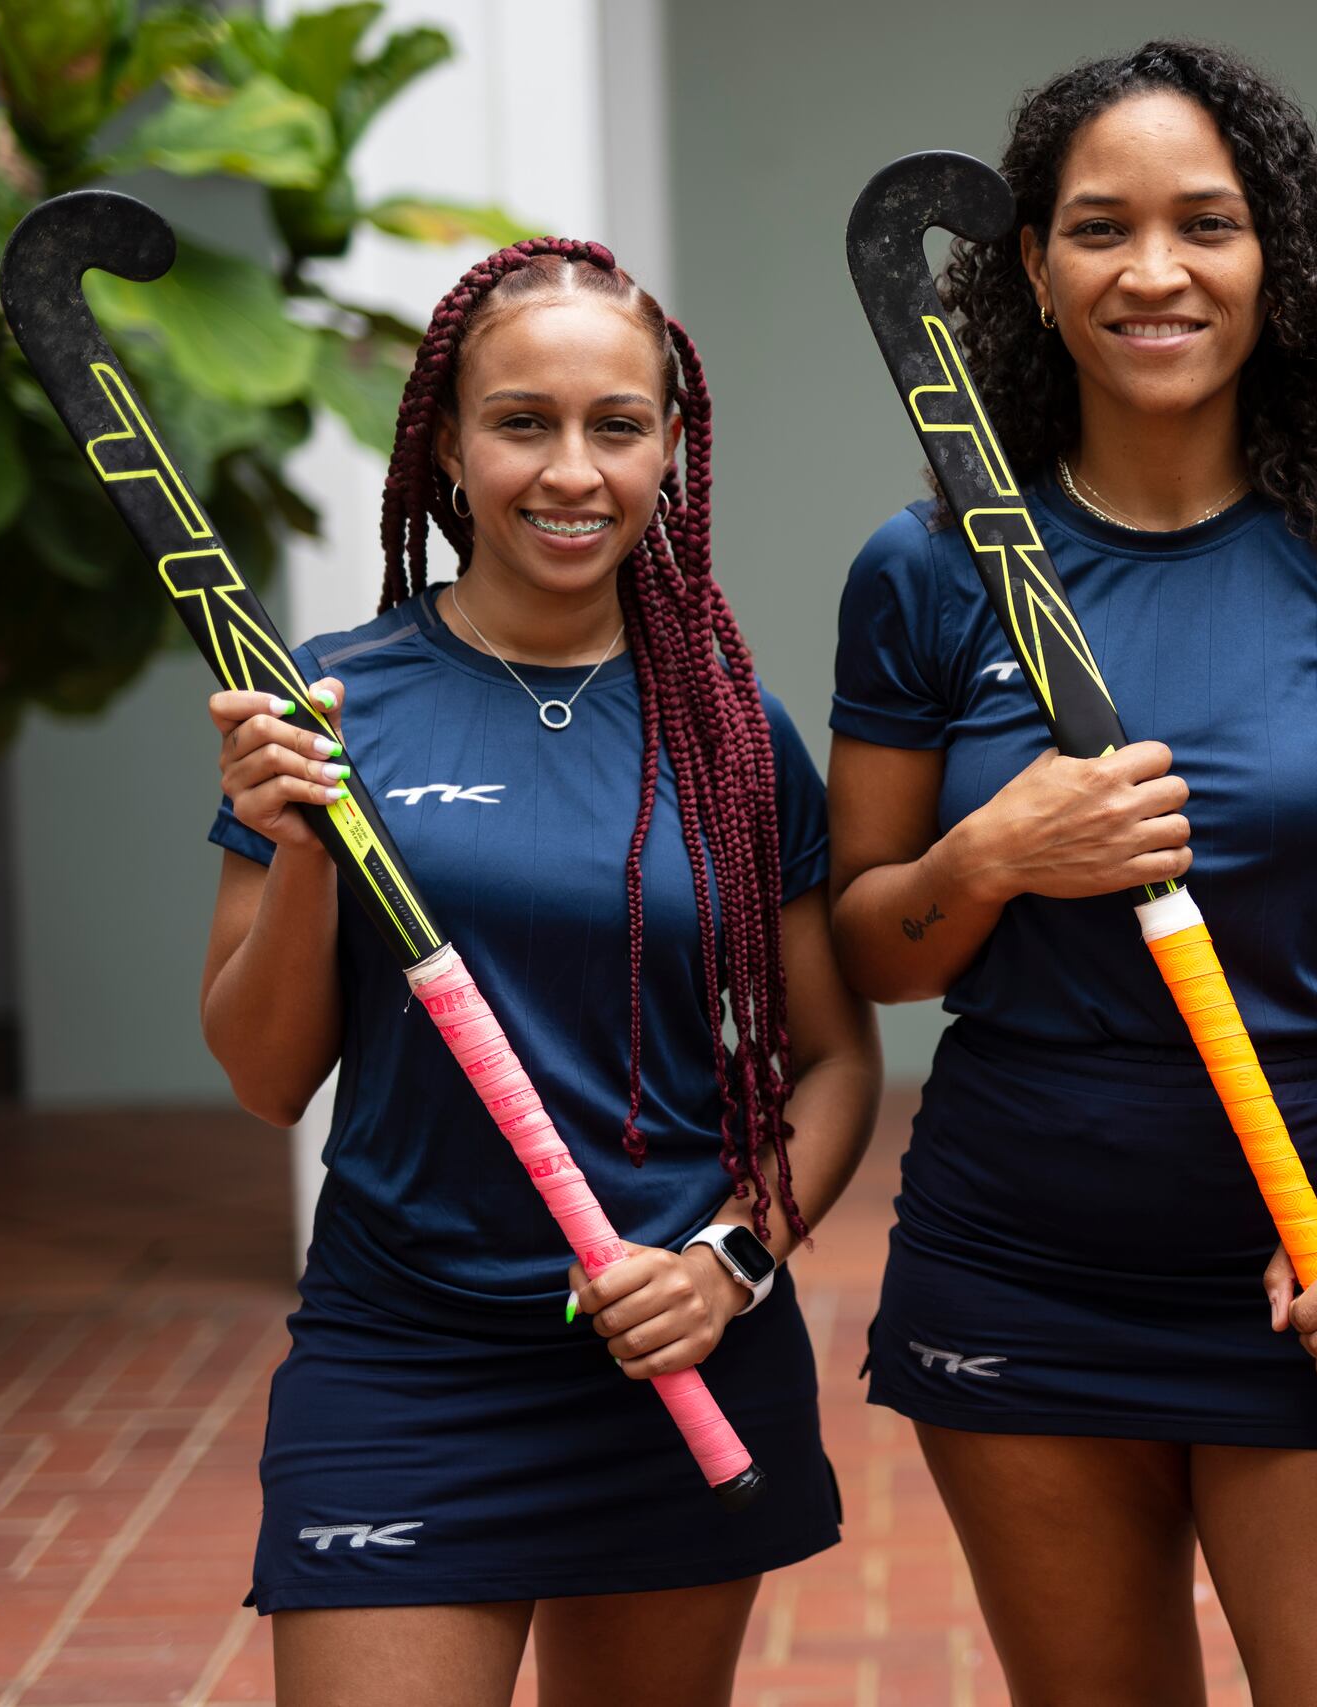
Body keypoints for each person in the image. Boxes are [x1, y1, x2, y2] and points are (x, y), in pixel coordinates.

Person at [828, 42, 1317, 1705]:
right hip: (1021, 1264)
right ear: (1030, 266)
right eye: (1100, 228)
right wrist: (996, 854)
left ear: (1271, 254)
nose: (1155, 272)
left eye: (1205, 224)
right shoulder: (928, 568)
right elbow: (872, 943)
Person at [200, 238, 880, 1706]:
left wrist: (732, 1266)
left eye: (614, 426)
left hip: (674, 1361)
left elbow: (833, 1065)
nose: (570, 470)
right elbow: (266, 1081)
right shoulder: (331, 701)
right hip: (407, 1355)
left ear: (668, 450)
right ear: (447, 443)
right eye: (522, 422)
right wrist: (311, 842)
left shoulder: (732, 733)